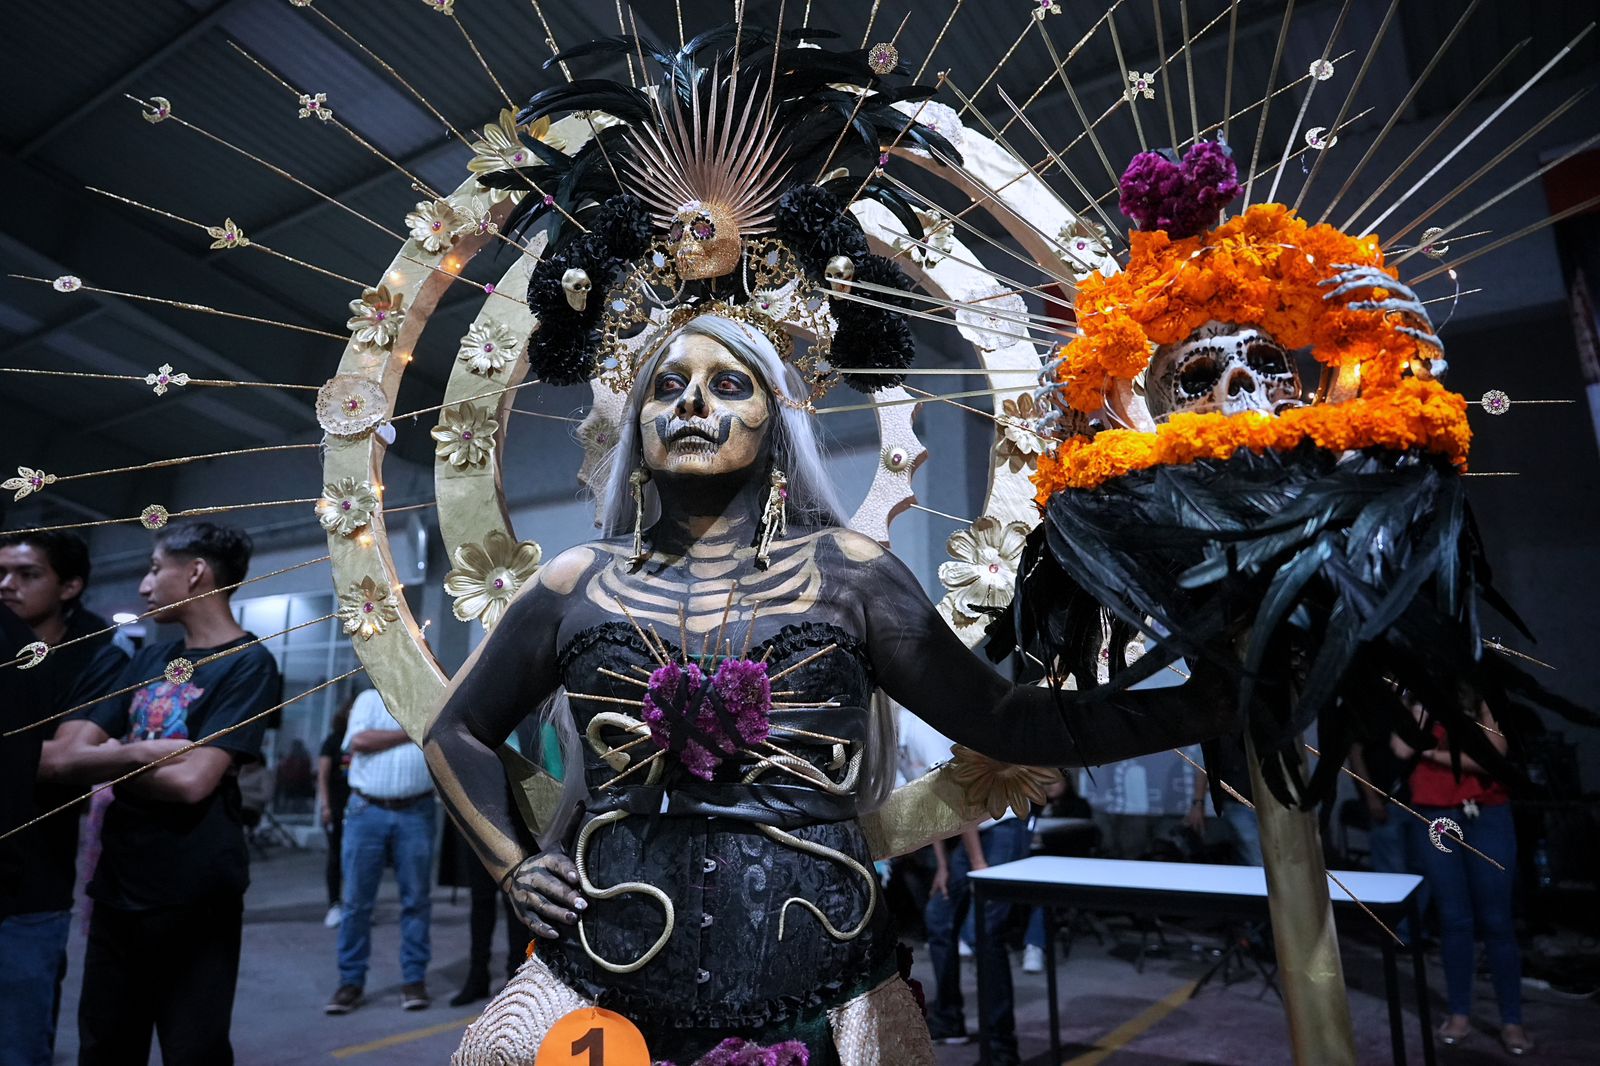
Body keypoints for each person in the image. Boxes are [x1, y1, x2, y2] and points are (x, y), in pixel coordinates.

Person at [426, 316, 1236, 1062]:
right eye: (666, 388)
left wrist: (1209, 706)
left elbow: (1006, 721)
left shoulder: (850, 574)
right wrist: (512, 866)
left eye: (728, 384)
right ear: (636, 424)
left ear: (774, 418)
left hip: (822, 984)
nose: (693, 405)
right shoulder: (578, 582)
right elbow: (454, 731)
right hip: (602, 981)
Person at [52, 521, 280, 1066]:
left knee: (193, 1049)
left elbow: (191, 781)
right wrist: (137, 753)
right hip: (118, 888)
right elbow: (61, 758)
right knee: (105, 1046)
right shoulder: (149, 661)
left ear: (196, 572)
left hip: (195, 895)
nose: (144, 587)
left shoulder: (249, 664)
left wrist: (106, 760)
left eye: (155, 569)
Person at [0, 532, 128, 1066]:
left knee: (20, 1044)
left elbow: (59, 760)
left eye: (28, 574)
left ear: (70, 586)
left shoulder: (98, 652)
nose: (7, 585)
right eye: (2, 572)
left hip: (32, 880)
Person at [1393, 695, 1531, 1055]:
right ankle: (1459, 1014)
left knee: (1497, 920)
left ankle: (1511, 1020)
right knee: (1454, 919)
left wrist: (1433, 755)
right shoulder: (1415, 697)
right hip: (1436, 816)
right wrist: (1422, 709)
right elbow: (1401, 749)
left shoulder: (1482, 698)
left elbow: (1493, 754)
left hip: (1487, 815)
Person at [325, 687, 437, 1015]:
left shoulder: (429, 695)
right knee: (357, 902)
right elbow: (359, 741)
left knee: (416, 900)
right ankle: (350, 982)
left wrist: (389, 735)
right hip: (367, 810)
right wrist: (410, 730)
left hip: (417, 810)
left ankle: (414, 980)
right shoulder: (369, 699)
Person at [316, 696, 353, 929]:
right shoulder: (333, 741)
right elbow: (323, 776)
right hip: (337, 807)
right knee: (335, 857)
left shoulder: (360, 738)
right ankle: (334, 904)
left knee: (354, 858)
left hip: (358, 808)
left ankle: (353, 904)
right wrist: (326, 806)